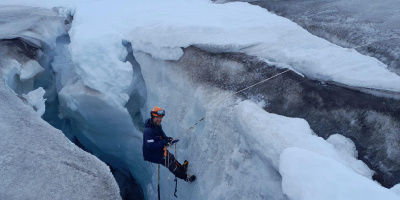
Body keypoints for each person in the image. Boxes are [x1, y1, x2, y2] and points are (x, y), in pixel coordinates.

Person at [143, 106, 196, 182]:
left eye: (161, 118)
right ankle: (186, 177)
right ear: (152, 117)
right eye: (157, 117)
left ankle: (181, 168)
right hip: (154, 155)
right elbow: (149, 145)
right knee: (171, 166)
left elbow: (162, 136)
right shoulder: (148, 131)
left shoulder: (157, 126)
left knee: (171, 158)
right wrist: (164, 142)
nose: (159, 120)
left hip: (161, 150)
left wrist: (168, 139)